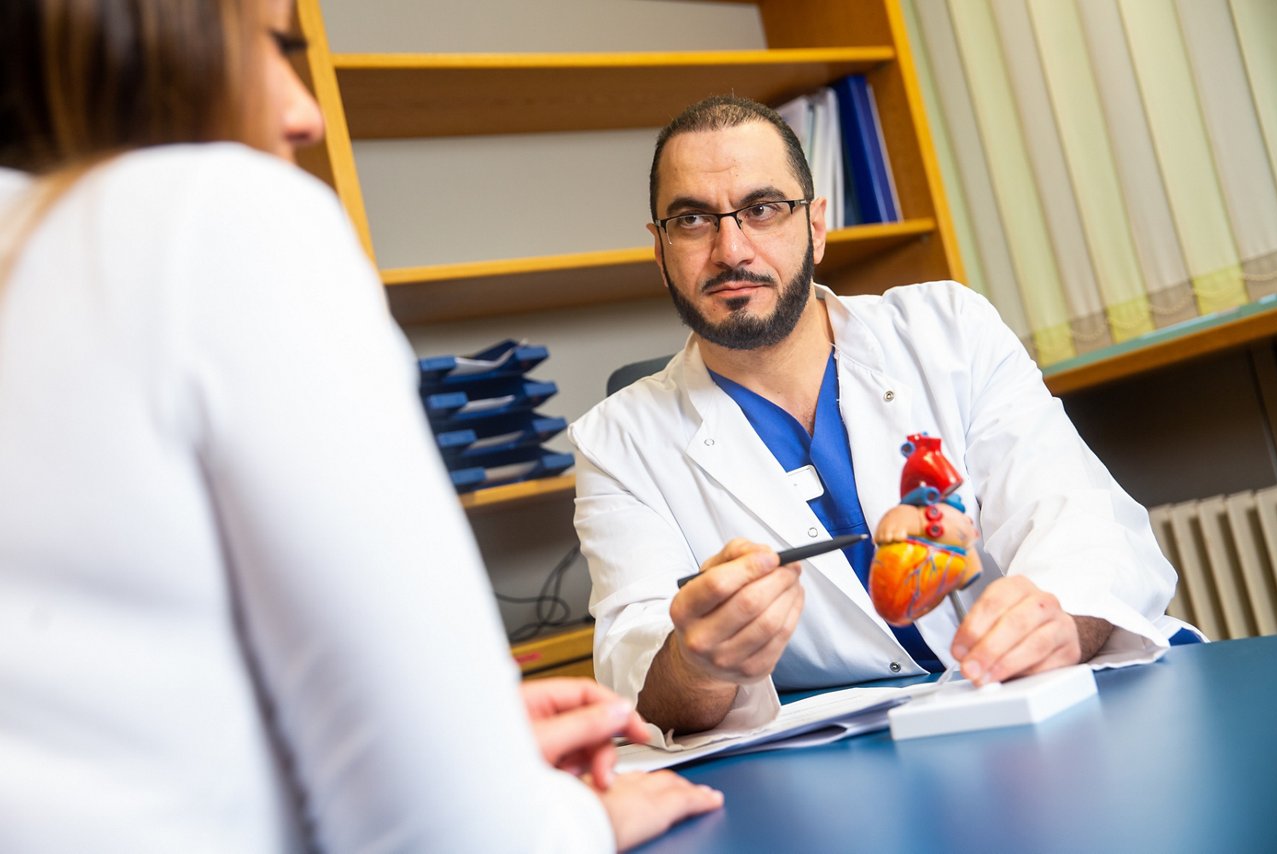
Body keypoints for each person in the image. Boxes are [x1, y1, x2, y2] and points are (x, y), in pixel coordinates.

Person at [0, 1, 721, 850]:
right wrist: (556, 819)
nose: (302, 111)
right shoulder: (214, 213)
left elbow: (99, 738)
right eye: (272, 46)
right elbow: (449, 837)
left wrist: (458, 747)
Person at [569, 95, 1194, 737]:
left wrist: (1059, 620)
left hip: (1037, 707)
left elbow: (1074, 513)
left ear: (815, 225)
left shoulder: (950, 329)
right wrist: (700, 663)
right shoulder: (615, 443)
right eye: (693, 219)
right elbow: (636, 666)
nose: (732, 249)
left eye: (762, 210)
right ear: (660, 248)